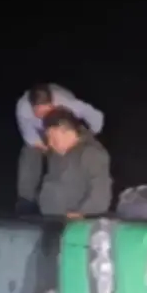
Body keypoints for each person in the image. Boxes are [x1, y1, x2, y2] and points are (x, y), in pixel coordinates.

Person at [15, 83, 105, 213]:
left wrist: (88, 137)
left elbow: (96, 117)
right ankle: (26, 199)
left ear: (52, 104)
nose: (43, 115)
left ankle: (77, 199)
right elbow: (30, 137)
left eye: (46, 111)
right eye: (38, 112)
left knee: (72, 159)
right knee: (29, 153)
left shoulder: (67, 103)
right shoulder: (23, 108)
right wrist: (47, 146)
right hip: (42, 133)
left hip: (67, 128)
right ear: (32, 107)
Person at [36, 109, 112, 217]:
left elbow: (101, 195)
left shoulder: (92, 153)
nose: (50, 143)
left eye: (53, 138)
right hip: (51, 220)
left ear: (67, 132)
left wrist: (80, 214)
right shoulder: (56, 155)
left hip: (78, 223)